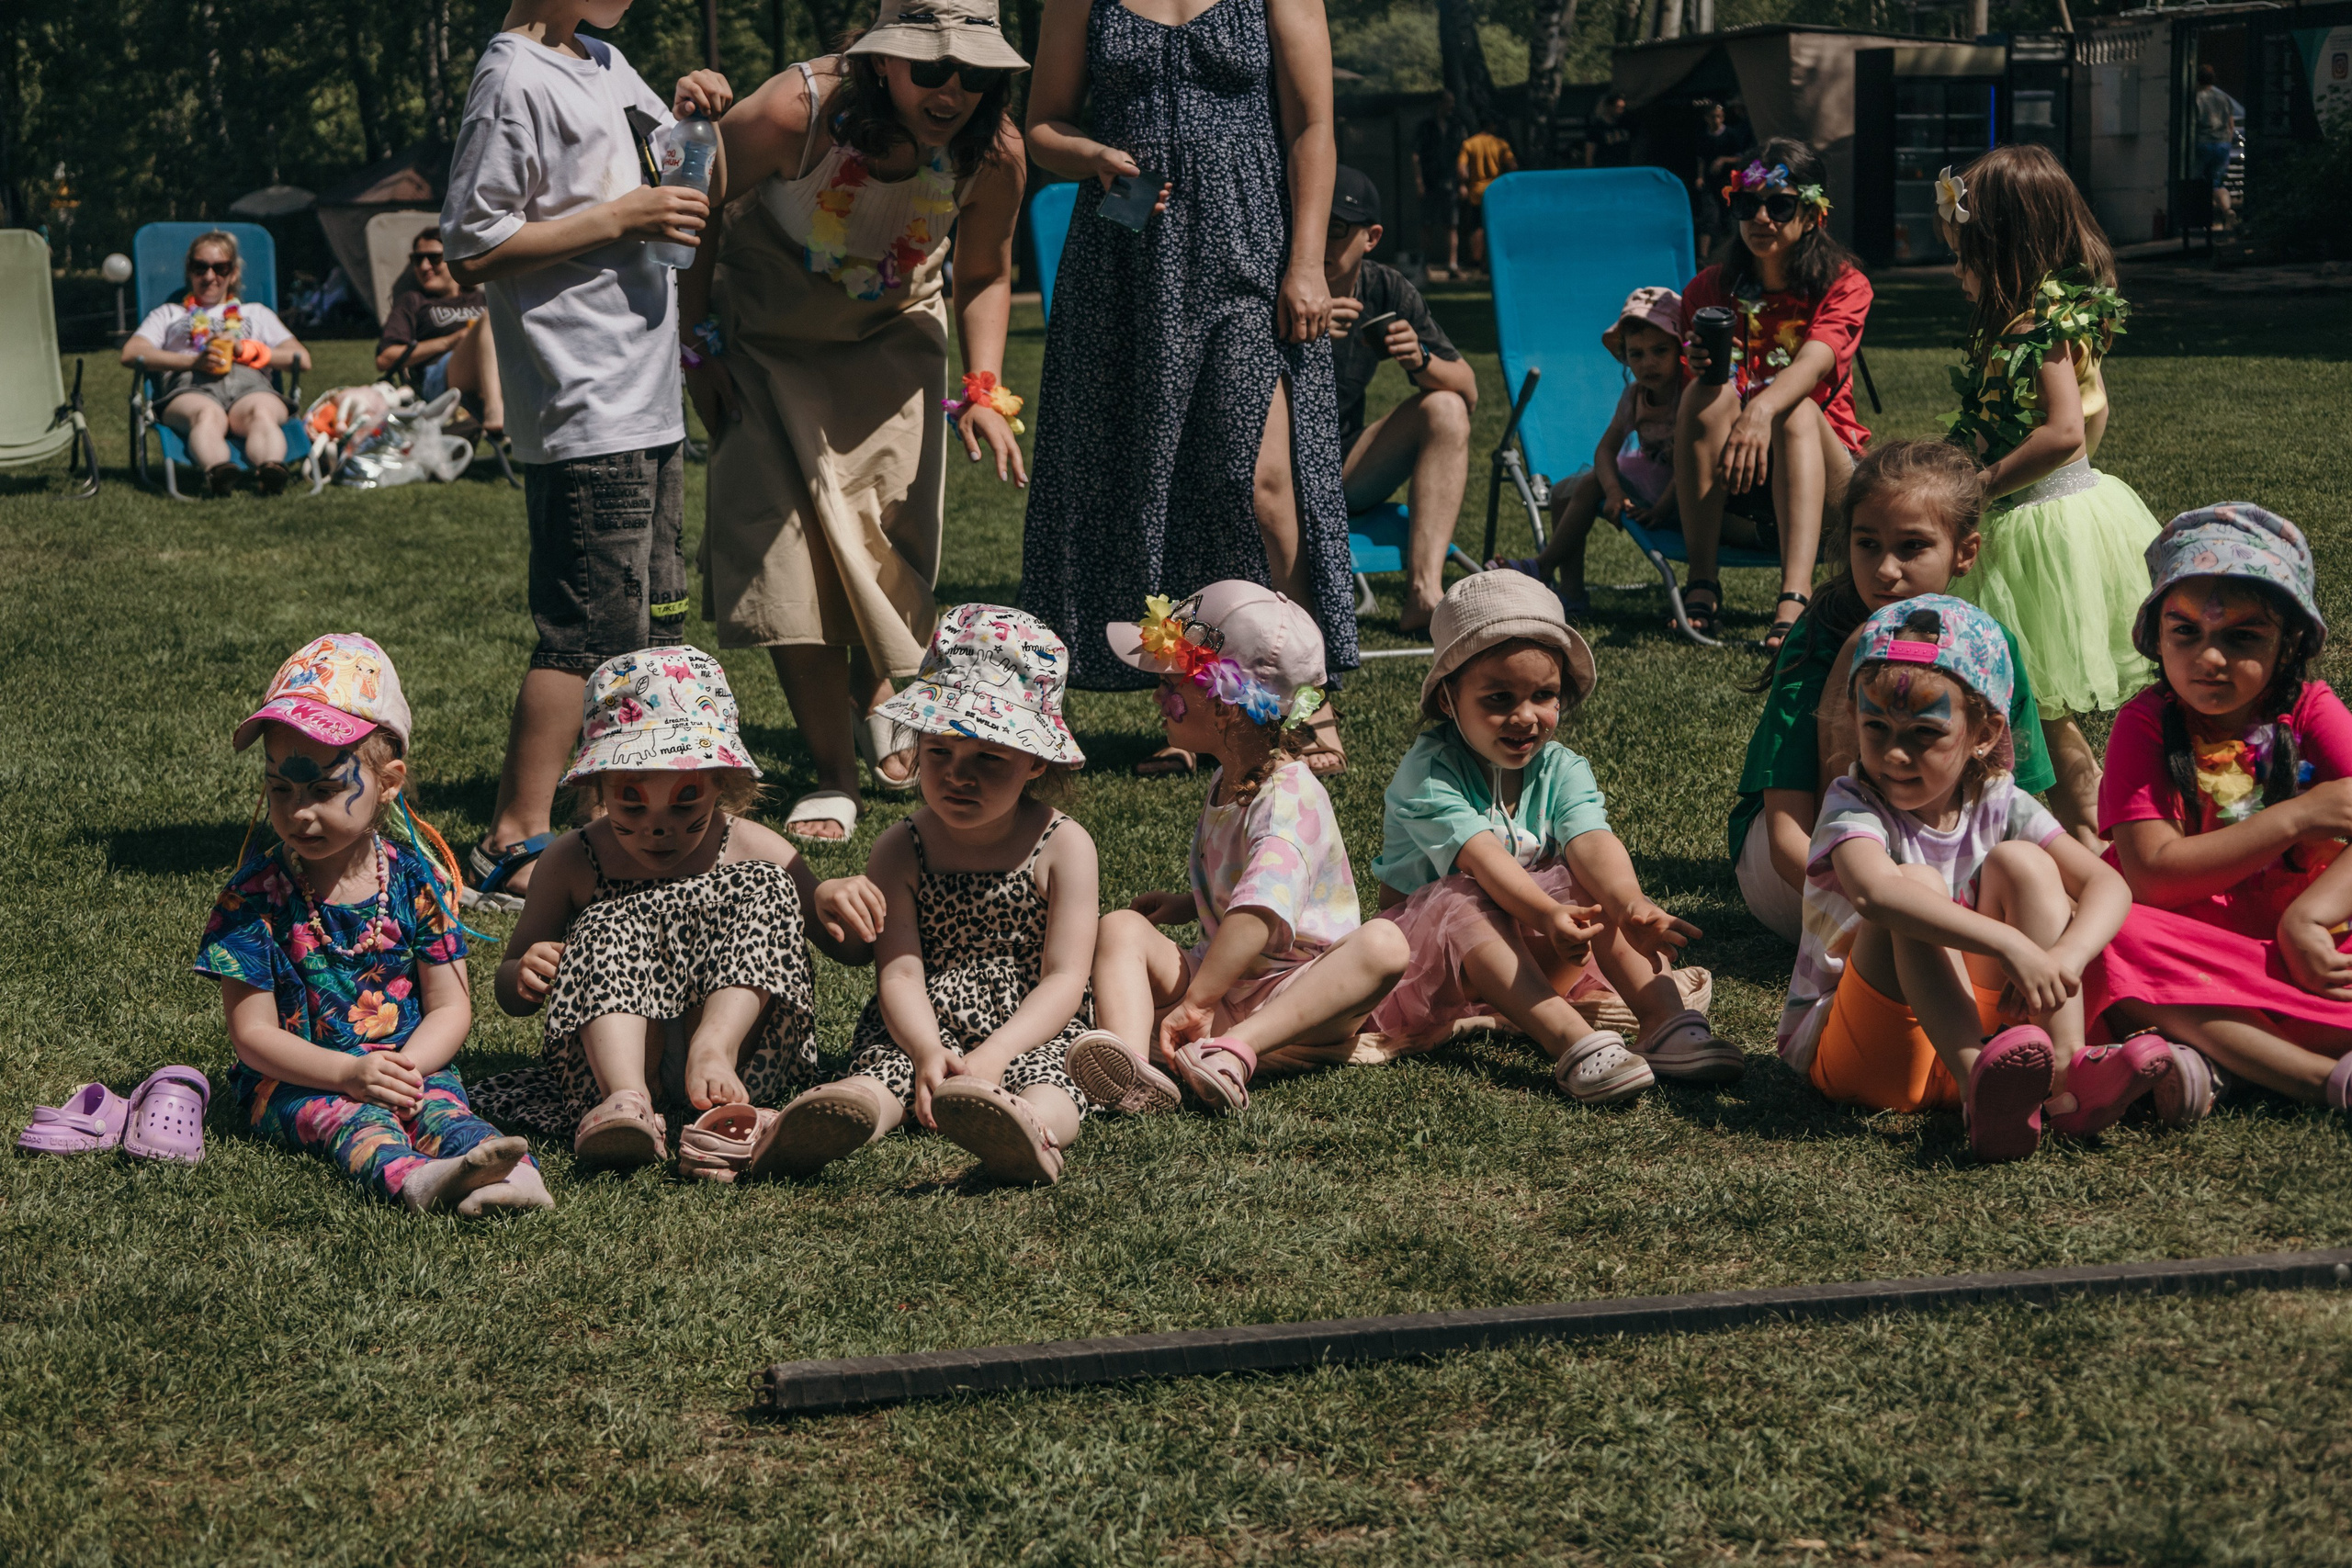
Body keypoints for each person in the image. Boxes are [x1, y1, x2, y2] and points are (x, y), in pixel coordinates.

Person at [683, 0, 1035, 844]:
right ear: (882, 61)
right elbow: (692, 203)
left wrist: (983, 388)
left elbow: (984, 273)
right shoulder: (794, 111)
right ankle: (833, 773)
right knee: (786, 558)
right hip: (764, 338)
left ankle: (876, 694)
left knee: (878, 548)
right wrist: (696, 346)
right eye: (931, 67)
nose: (952, 90)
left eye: (974, 73)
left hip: (891, 343)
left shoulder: (994, 150)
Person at [1020, 0, 1360, 781]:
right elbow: (1043, 127)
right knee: (1155, 481)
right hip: (1126, 251)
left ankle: (1305, 701)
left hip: (1251, 241)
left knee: (1262, 483)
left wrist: (1308, 262)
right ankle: (1192, 711)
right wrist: (1094, 155)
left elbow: (1312, 124)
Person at [441, 0, 726, 908]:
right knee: (586, 635)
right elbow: (472, 241)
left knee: (654, 627)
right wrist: (621, 217)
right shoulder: (512, 77)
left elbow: (672, 173)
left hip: (645, 394)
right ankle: (513, 840)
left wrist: (691, 118)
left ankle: (622, 827)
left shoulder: (602, 59)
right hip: (583, 399)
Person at [1779, 597, 2149, 1163]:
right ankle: (1981, 1088)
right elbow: (1875, 894)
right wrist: (2010, 944)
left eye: (1924, 733)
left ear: (1984, 732)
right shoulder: (1851, 804)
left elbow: (2109, 884)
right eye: (1876, 726)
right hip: (1868, 1054)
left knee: (2027, 865)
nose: (1894, 753)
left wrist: (2062, 959)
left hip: (1995, 1046)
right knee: (1916, 886)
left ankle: (2065, 1076)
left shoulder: (1998, 799)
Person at [195, 635, 552, 1214]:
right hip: (300, 1079)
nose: (299, 811)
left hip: (411, 1063)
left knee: (447, 1113)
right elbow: (252, 1035)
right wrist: (349, 1073)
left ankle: (515, 1178)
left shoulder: (417, 881)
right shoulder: (254, 897)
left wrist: (406, 1070)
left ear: (388, 781)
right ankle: (418, 1182)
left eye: (324, 789)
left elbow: (450, 1006)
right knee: (355, 1124)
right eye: (280, 788)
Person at [472, 649, 865, 1173]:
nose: (658, 826)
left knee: (770, 885)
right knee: (608, 917)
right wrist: (523, 973)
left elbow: (852, 951)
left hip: (741, 1059)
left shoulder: (754, 846)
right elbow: (509, 989)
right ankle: (626, 1100)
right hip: (613, 1062)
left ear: (722, 782)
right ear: (599, 787)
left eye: (685, 803)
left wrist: (830, 898)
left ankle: (714, 1051)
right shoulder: (573, 858)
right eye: (632, 804)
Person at [755, 607, 1103, 1184]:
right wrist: (923, 1049)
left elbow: (1065, 978)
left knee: (1051, 1083)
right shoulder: (901, 847)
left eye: (988, 757)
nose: (958, 775)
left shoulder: (1064, 845)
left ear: (1036, 762)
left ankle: (1029, 1131)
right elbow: (899, 971)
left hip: (1029, 1025)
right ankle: (840, 1117)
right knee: (880, 1074)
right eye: (939, 752)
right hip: (922, 1020)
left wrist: (997, 1053)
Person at [1362, 572, 1736, 1103]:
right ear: (1447, 699)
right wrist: (1546, 914)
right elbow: (1483, 860)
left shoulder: (1561, 766)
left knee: (1594, 888)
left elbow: (1591, 838)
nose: (1525, 717)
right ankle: (1572, 1042)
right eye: (1499, 698)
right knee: (1461, 895)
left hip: (1537, 952)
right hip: (1435, 972)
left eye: (1544, 695)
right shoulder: (1428, 775)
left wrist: (1630, 903)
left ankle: (1664, 1023)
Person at [1066, 584, 1410, 1115]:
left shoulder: (1288, 799)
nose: (1157, 696)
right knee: (1120, 927)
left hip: (1298, 996)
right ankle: (1132, 1069)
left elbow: (1259, 912)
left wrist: (1199, 1001)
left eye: (1171, 683)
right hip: (1228, 980)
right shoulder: (1233, 775)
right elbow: (1247, 885)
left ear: (1225, 707)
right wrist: (1189, 904)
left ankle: (1236, 1048)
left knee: (1384, 945)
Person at [1729, 439, 2057, 943]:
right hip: (1806, 868)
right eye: (1867, 544)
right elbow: (1786, 838)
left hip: (1935, 865)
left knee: (2025, 878)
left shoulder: (1990, 645)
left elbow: (2016, 808)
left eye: (1912, 546)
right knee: (1865, 645)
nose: (1885, 569)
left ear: (1965, 552)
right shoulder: (1820, 637)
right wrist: (1888, 913)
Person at [2090, 505, 2352, 1122]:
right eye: (2186, 632)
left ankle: (2218, 1057)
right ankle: (2319, 1078)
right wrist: (2296, 818)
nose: (2209, 659)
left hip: (2302, 954)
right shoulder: (2145, 724)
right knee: (2107, 935)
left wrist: (2309, 918)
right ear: (2156, 637)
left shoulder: (2310, 709)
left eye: (2242, 637)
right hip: (2191, 953)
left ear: (2289, 643)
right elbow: (2153, 877)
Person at [1939, 143, 2161, 845]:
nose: (1957, 271)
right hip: (2040, 513)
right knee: (2034, 698)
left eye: (1965, 256)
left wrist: (1983, 484)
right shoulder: (2039, 319)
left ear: (2002, 245)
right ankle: (2090, 829)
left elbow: (2064, 431)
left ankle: (2095, 830)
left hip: (2045, 522)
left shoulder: (2038, 327)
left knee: (2032, 692)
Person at [1677, 140, 1872, 650]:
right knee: (1703, 394)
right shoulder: (1707, 290)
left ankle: (1795, 596)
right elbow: (1687, 402)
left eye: (1779, 205)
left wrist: (1760, 409)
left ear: (1811, 215)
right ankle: (1702, 580)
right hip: (1737, 489)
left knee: (1795, 409)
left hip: (1827, 491)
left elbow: (1813, 363)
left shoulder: (1845, 285)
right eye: (1747, 205)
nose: (1761, 218)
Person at [1325, 165, 1478, 635]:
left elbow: (1468, 389)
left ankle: (1423, 594)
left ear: (1371, 238)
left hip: (1343, 467)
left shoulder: (1384, 288)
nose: (1317, 240)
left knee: (1446, 408)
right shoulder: (1272, 281)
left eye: (1334, 228)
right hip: (1270, 472)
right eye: (1305, 223)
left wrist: (1421, 360)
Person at [1489, 286, 1685, 617]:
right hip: (1651, 483)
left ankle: (1542, 565)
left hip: (1682, 495)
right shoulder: (1635, 395)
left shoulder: (1690, 394)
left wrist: (1662, 508)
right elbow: (1606, 449)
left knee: (1590, 482)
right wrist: (1614, 491)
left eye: (1660, 350)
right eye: (1636, 354)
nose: (1648, 363)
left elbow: (1693, 464)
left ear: (1681, 348)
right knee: (1564, 491)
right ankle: (1571, 593)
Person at [121, 230, 311, 498]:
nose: (210, 276)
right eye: (200, 267)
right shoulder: (169, 313)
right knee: (206, 416)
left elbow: (301, 359)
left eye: (220, 268)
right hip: (190, 386)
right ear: (190, 271)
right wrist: (192, 362)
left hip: (251, 384)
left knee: (261, 414)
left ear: (233, 273)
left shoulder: (256, 313)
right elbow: (132, 353)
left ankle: (271, 471)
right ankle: (219, 473)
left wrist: (246, 349)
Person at [374, 231, 504, 437]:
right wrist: (451, 341)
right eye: (417, 259)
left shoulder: (481, 298)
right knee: (489, 319)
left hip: (499, 366)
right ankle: (494, 411)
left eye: (434, 258)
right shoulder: (413, 301)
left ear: (455, 257)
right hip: (439, 377)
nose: (424, 266)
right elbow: (385, 359)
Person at [1690, 99, 1754, 254]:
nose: (1716, 120)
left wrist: (1724, 160)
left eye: (1719, 116)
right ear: (1707, 118)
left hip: (1727, 181)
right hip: (1710, 181)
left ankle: (1731, 251)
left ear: (1723, 117)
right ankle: (1703, 257)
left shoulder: (1731, 134)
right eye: (1713, 116)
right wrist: (1700, 176)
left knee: (1729, 214)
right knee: (1709, 216)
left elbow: (1741, 157)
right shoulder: (1703, 136)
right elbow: (1701, 158)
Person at [1412, 91, 1464, 277]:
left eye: (1453, 102)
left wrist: (1462, 182)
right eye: (1448, 102)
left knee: (1451, 224)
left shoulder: (1456, 126)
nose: (1451, 106)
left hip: (1450, 180)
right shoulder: (1426, 126)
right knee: (1427, 224)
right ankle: (1424, 264)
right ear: (1439, 103)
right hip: (1430, 181)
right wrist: (1419, 181)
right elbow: (1416, 155)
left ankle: (1452, 264)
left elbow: (1462, 154)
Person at [1454, 119, 1517, 272]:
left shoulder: (1470, 144)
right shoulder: (1501, 144)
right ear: (1492, 125)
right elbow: (1513, 166)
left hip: (1476, 192)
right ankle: (1491, 261)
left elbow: (1461, 168)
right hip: (1496, 192)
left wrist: (1463, 183)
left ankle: (1476, 261)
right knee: (1495, 226)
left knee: (1477, 226)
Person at [2192, 64, 2242, 229]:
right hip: (2222, 144)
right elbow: (2231, 125)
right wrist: (2226, 141)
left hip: (2203, 143)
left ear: (2197, 80)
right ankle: (2227, 210)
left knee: (2198, 182)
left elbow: (2191, 123)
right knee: (2218, 183)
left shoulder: (2196, 97)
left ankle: (2201, 221)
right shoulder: (2223, 98)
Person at [1581, 92, 1633, 170]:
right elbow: (1589, 151)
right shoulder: (1597, 127)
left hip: (1623, 168)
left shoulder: (1624, 125)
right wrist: (1590, 168)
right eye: (1618, 107)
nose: (1621, 111)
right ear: (1609, 107)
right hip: (1605, 169)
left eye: (1623, 108)